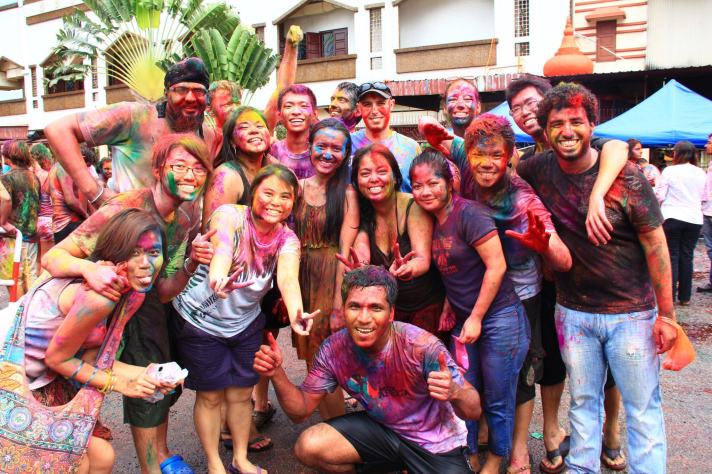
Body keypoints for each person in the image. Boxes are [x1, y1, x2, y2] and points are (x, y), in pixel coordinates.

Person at [517, 82, 677, 474]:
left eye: (576, 121)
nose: (567, 131)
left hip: (631, 315)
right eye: (557, 124)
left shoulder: (627, 177)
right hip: (573, 314)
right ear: (545, 131)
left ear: (592, 125)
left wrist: (667, 315)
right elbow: (494, 169)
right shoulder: (538, 169)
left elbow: (656, 245)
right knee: (583, 404)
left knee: (642, 411)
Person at [42, 133, 214, 474]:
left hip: (137, 306)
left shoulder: (183, 219)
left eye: (199, 169)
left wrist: (191, 264)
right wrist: (90, 270)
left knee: (156, 379)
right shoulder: (124, 208)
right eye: (180, 166)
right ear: (158, 170)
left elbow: (161, 290)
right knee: (68, 392)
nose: (189, 176)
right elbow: (53, 257)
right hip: (89, 307)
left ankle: (157, 457)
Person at [254, 265, 481, 473]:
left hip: (434, 443)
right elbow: (300, 411)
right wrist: (277, 373)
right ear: (343, 309)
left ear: (391, 313)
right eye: (355, 306)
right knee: (308, 446)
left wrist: (455, 392)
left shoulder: (421, 346)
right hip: (383, 431)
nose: (364, 318)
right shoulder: (333, 350)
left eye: (375, 308)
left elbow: (474, 410)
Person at [172, 164, 317, 474]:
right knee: (210, 395)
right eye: (268, 193)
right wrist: (218, 277)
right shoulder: (229, 215)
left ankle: (240, 458)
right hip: (201, 320)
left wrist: (297, 313)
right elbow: (223, 248)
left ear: (294, 202)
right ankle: (214, 464)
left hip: (244, 324)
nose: (275, 202)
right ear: (253, 193)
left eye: (285, 196)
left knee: (240, 394)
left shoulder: (288, 238)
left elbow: (287, 278)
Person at [22, 208, 178, 473]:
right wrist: (122, 385)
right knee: (76, 463)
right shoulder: (99, 297)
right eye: (134, 253)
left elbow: (91, 361)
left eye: (154, 252)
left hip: (45, 379)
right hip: (17, 381)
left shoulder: (132, 292)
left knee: (102, 458)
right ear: (115, 253)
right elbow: (58, 359)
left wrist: (149, 375)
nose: (145, 263)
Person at [462, 114, 572, 474]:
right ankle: (485, 434)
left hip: (520, 298)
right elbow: (453, 145)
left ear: (510, 156)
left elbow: (564, 259)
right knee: (478, 370)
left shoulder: (523, 199)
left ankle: (519, 450)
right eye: (479, 154)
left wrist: (545, 246)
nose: (487, 163)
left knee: (521, 375)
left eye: (496, 155)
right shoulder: (467, 173)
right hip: (478, 292)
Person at [409, 149, 529, 474]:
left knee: (498, 396)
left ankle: (495, 459)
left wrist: (475, 317)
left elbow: (496, 266)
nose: (425, 192)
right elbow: (458, 270)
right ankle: (471, 452)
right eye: (417, 186)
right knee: (464, 391)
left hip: (500, 319)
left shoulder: (469, 214)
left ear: (449, 183)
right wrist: (452, 303)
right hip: (465, 321)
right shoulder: (433, 221)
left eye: (433, 183)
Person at [202, 105, 277, 453]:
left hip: (257, 280)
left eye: (260, 125)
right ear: (231, 138)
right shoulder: (228, 176)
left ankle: (239, 421)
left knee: (252, 347)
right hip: (230, 280)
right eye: (245, 127)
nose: (256, 130)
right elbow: (214, 231)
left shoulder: (269, 170)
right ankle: (226, 430)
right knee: (228, 354)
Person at [44, 57, 214, 204]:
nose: (190, 98)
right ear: (166, 93)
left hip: (183, 232)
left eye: (198, 91)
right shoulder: (134, 117)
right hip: (132, 227)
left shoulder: (207, 135)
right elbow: (58, 130)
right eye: (181, 90)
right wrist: (95, 193)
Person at [293, 118, 359, 420]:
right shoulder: (296, 187)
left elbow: (345, 252)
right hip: (299, 277)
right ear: (310, 147)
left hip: (331, 278)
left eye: (336, 148)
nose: (328, 154)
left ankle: (337, 427)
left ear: (345, 154)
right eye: (322, 146)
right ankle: (334, 424)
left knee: (325, 356)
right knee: (311, 353)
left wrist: (337, 306)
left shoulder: (347, 194)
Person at [349, 143, 446, 336]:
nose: (374, 179)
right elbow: (361, 253)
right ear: (357, 181)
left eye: (382, 171)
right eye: (365, 173)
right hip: (388, 312)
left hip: (425, 309)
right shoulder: (362, 211)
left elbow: (422, 259)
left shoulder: (413, 205)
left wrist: (408, 268)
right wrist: (361, 269)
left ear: (395, 176)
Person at [655, 140, 706, 306]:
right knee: (687, 256)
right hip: (694, 217)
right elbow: (704, 196)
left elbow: (660, 195)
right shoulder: (700, 172)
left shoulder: (670, 171)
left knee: (672, 255)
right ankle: (685, 296)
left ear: (677, 154)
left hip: (673, 215)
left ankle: (669, 295)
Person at [351, 82, 421, 192]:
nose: (374, 111)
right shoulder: (348, 144)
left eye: (381, 103)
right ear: (358, 108)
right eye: (367, 104)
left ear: (391, 105)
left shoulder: (411, 147)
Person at [0, 140, 41, 296]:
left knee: (15, 277)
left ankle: (18, 309)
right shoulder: (34, 177)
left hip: (13, 235)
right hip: (31, 233)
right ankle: (30, 307)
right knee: (31, 275)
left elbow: (5, 201)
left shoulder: (6, 178)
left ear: (8, 156)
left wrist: (3, 222)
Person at [269, 84, 319, 179]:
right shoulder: (270, 152)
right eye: (288, 106)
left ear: (314, 114)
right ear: (279, 115)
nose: (296, 112)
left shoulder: (322, 154)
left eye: (304, 106)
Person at [49, 145, 93, 243]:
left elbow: (49, 192)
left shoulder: (55, 167)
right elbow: (71, 201)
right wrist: (86, 215)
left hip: (59, 224)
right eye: (86, 166)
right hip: (69, 223)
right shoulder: (66, 167)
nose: (86, 170)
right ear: (82, 158)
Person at [30, 143, 55, 264]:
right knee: (48, 261)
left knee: (38, 261)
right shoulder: (48, 175)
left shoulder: (30, 176)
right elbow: (53, 199)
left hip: (35, 222)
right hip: (48, 220)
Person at [699, 133, 712, 293]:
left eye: (709, 143)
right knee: (710, 248)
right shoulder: (710, 165)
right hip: (708, 210)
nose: (706, 146)